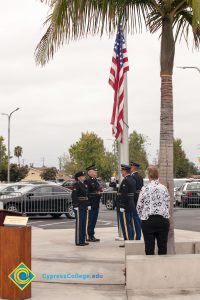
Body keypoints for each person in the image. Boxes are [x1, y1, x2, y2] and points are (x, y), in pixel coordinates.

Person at [136, 166, 170, 255]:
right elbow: (168, 204)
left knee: (149, 248)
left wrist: (142, 216)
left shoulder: (145, 188)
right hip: (162, 220)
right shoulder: (164, 188)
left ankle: (150, 267)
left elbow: (139, 206)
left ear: (149, 176)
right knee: (163, 248)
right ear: (157, 175)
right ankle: (161, 267)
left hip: (148, 220)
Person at [118, 164, 136, 244]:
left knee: (125, 224)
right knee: (129, 223)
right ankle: (130, 239)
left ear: (125, 171)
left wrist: (122, 205)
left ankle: (128, 241)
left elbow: (124, 194)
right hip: (130, 204)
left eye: (122, 171)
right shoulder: (132, 179)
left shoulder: (126, 180)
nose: (121, 172)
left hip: (125, 205)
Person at [72, 171, 90, 246]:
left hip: (84, 205)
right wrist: (75, 205)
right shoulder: (76, 184)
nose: (84, 177)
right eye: (82, 176)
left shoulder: (84, 184)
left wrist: (88, 204)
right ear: (79, 177)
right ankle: (78, 241)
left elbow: (86, 195)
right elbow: (74, 195)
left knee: (84, 223)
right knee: (79, 224)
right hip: (79, 206)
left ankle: (82, 240)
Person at [85, 164, 102, 242]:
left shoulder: (95, 180)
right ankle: (88, 235)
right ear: (90, 172)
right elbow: (87, 193)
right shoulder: (87, 181)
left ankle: (92, 235)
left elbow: (98, 189)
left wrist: (99, 192)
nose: (96, 172)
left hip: (96, 203)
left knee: (94, 220)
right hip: (91, 204)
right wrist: (88, 204)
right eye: (94, 171)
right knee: (90, 220)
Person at [130, 161, 144, 240]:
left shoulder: (133, 177)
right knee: (138, 218)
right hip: (138, 199)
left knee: (135, 219)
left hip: (134, 200)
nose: (130, 168)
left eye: (131, 167)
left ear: (134, 168)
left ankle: (136, 236)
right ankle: (138, 235)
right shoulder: (140, 177)